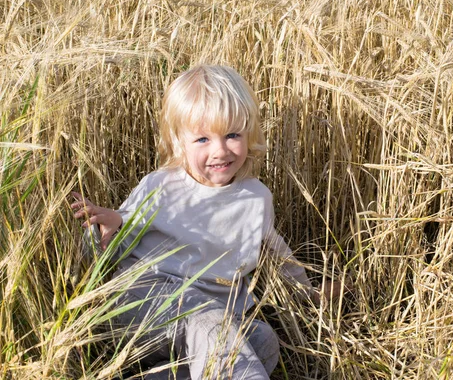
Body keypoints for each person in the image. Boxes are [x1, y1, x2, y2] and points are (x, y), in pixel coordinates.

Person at [71, 65, 322, 379]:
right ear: (179, 142)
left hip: (215, 321)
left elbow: (277, 253)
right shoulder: (161, 188)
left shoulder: (256, 198)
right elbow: (105, 251)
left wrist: (308, 293)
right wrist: (104, 231)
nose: (220, 150)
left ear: (250, 133)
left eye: (232, 135)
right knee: (212, 322)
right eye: (202, 139)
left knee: (263, 340)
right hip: (145, 308)